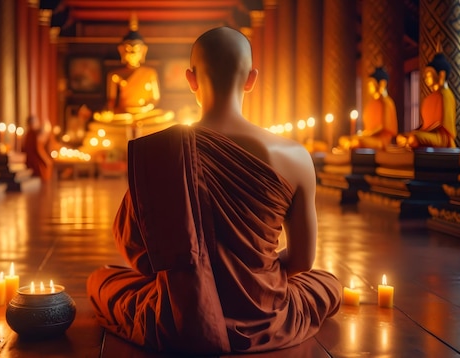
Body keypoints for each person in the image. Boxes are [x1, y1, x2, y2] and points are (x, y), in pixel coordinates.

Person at [87, 27, 342, 354]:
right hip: (265, 311)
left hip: (181, 311)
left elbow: (138, 254)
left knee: (102, 280)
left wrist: (192, 269)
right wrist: (252, 274)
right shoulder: (295, 156)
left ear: (191, 79)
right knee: (326, 283)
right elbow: (303, 261)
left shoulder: (163, 150)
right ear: (251, 79)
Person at [92, 14, 173, 127]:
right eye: (129, 50)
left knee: (166, 116)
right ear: (122, 51)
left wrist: (145, 108)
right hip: (124, 113)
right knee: (102, 120)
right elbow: (111, 100)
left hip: (144, 114)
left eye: (136, 50)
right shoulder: (115, 74)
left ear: (143, 51)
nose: (132, 54)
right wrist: (109, 111)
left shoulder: (150, 73)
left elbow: (155, 98)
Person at [396, 51, 457, 148]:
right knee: (401, 136)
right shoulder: (429, 98)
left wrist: (418, 133)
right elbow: (425, 124)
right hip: (428, 133)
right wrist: (416, 131)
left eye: (429, 75)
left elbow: (440, 124)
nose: (426, 78)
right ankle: (409, 142)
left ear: (441, 75)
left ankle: (410, 143)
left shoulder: (445, 95)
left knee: (414, 137)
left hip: (441, 137)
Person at [338, 66, 398, 150]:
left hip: (381, 140)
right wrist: (363, 134)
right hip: (368, 137)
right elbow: (367, 126)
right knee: (342, 139)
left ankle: (350, 146)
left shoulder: (386, 102)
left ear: (381, 83)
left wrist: (367, 134)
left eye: (372, 84)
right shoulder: (371, 103)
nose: (369, 87)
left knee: (358, 141)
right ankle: (350, 145)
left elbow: (383, 127)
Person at [24, 115, 53, 181]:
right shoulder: (32, 134)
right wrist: (46, 160)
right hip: (35, 163)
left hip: (31, 162)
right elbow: (39, 149)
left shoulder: (30, 134)